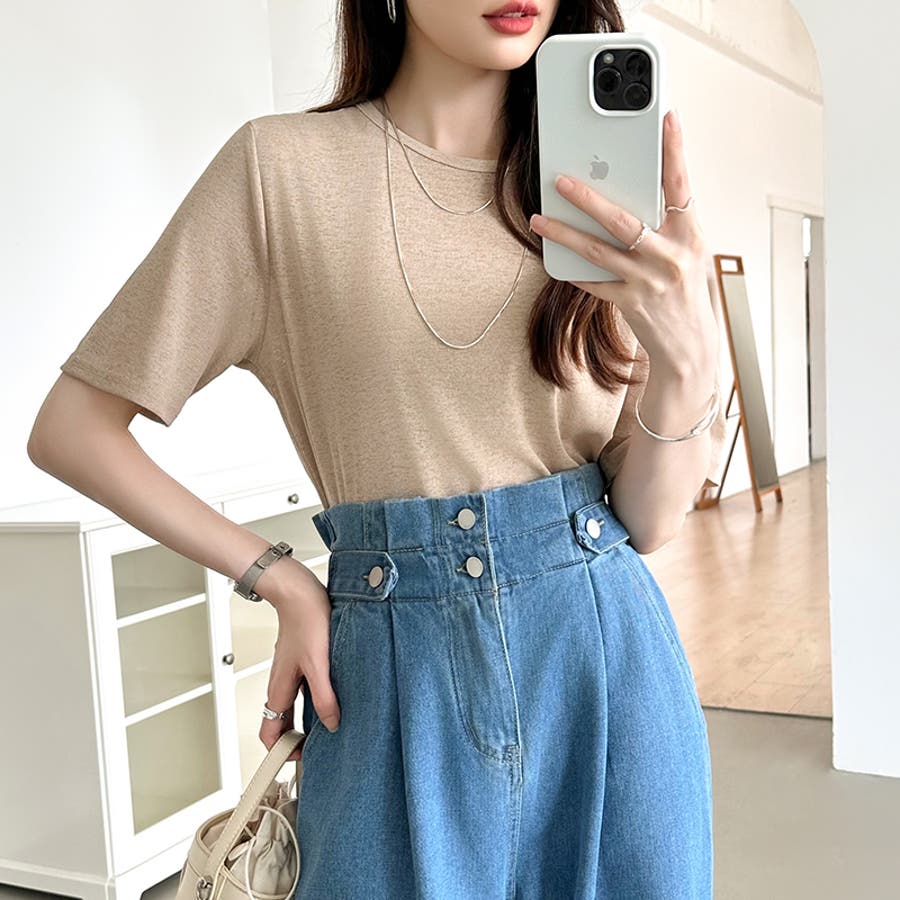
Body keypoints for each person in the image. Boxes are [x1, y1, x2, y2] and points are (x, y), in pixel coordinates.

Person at [29, 0, 728, 897]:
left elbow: (648, 520)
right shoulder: (280, 172)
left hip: (606, 667)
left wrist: (689, 354)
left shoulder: (599, 186)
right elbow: (73, 429)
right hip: (393, 672)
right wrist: (277, 576)